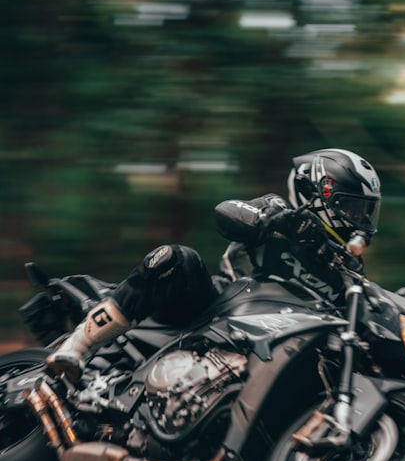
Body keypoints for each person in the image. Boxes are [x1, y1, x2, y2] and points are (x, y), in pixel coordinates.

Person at [45, 147, 382, 383]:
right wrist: (280, 221)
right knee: (177, 259)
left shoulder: (348, 274)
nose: (360, 220)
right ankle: (77, 346)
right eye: (353, 208)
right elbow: (226, 214)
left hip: (277, 347)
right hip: (216, 310)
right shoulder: (281, 212)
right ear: (321, 193)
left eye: (365, 212)